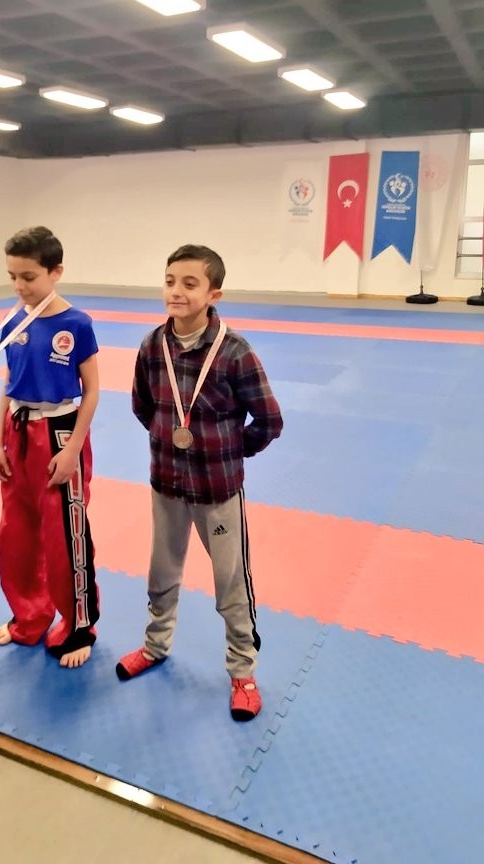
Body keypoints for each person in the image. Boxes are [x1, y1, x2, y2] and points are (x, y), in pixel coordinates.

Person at [116, 244, 283, 721]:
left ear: (214, 294)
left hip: (217, 490)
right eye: (170, 281)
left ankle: (242, 671)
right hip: (166, 483)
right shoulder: (152, 346)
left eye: (190, 284)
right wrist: (169, 439)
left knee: (230, 583)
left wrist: (230, 452)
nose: (177, 291)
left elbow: (269, 420)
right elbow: (142, 406)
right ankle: (155, 645)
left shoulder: (235, 352)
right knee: (161, 572)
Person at [0, 226, 100, 668]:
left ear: (56, 272)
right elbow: (9, 383)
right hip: (17, 432)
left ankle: (78, 627)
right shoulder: (14, 319)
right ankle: (29, 616)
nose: (20, 286)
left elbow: (92, 391)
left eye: (29, 277)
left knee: (63, 536)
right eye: (13, 276)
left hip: (59, 433)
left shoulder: (76, 323)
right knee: (15, 533)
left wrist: (73, 449)